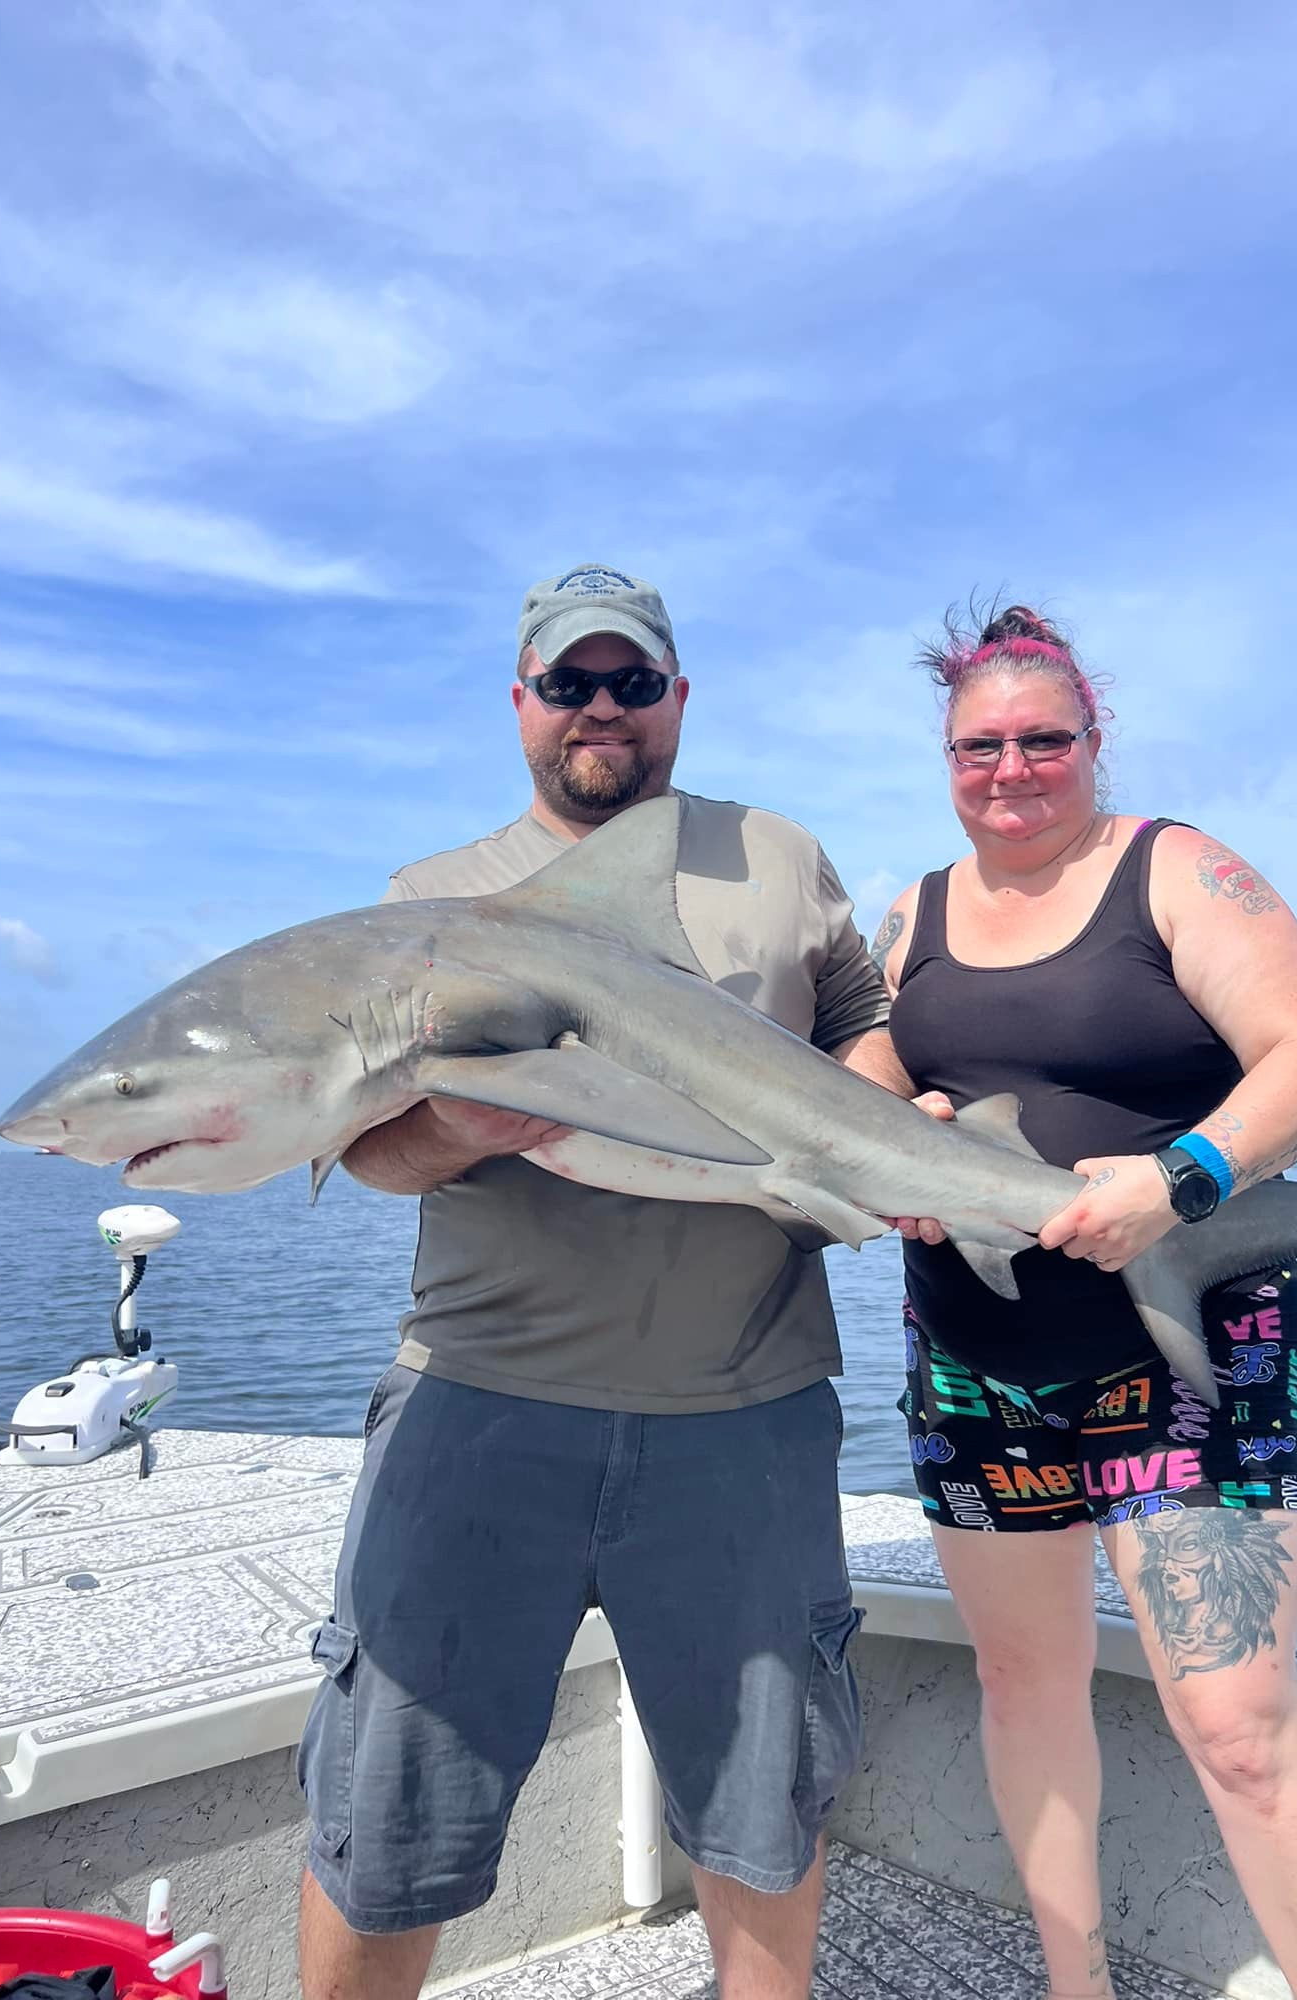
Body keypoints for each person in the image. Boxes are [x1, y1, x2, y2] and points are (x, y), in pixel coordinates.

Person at [296, 564, 915, 2000]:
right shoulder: (428, 902)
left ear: (678, 698)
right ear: (519, 701)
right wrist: (459, 1122)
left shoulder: (773, 852)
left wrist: (886, 1122)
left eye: (632, 682)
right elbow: (369, 1155)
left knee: (763, 1826)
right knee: (382, 1825)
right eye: (569, 683)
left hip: (745, 1410)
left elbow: (862, 1020)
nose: (602, 710)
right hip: (479, 1403)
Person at [874, 603, 1297, 2000]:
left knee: (1238, 1728)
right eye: (983, 745)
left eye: (1046, 740)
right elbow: (859, 1061)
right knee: (1023, 1692)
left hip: (1192, 1357)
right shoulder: (910, 911)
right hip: (975, 1359)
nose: (1012, 768)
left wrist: (1182, 1178)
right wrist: (889, 1124)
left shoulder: (1181, 872)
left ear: (1095, 742)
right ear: (946, 753)